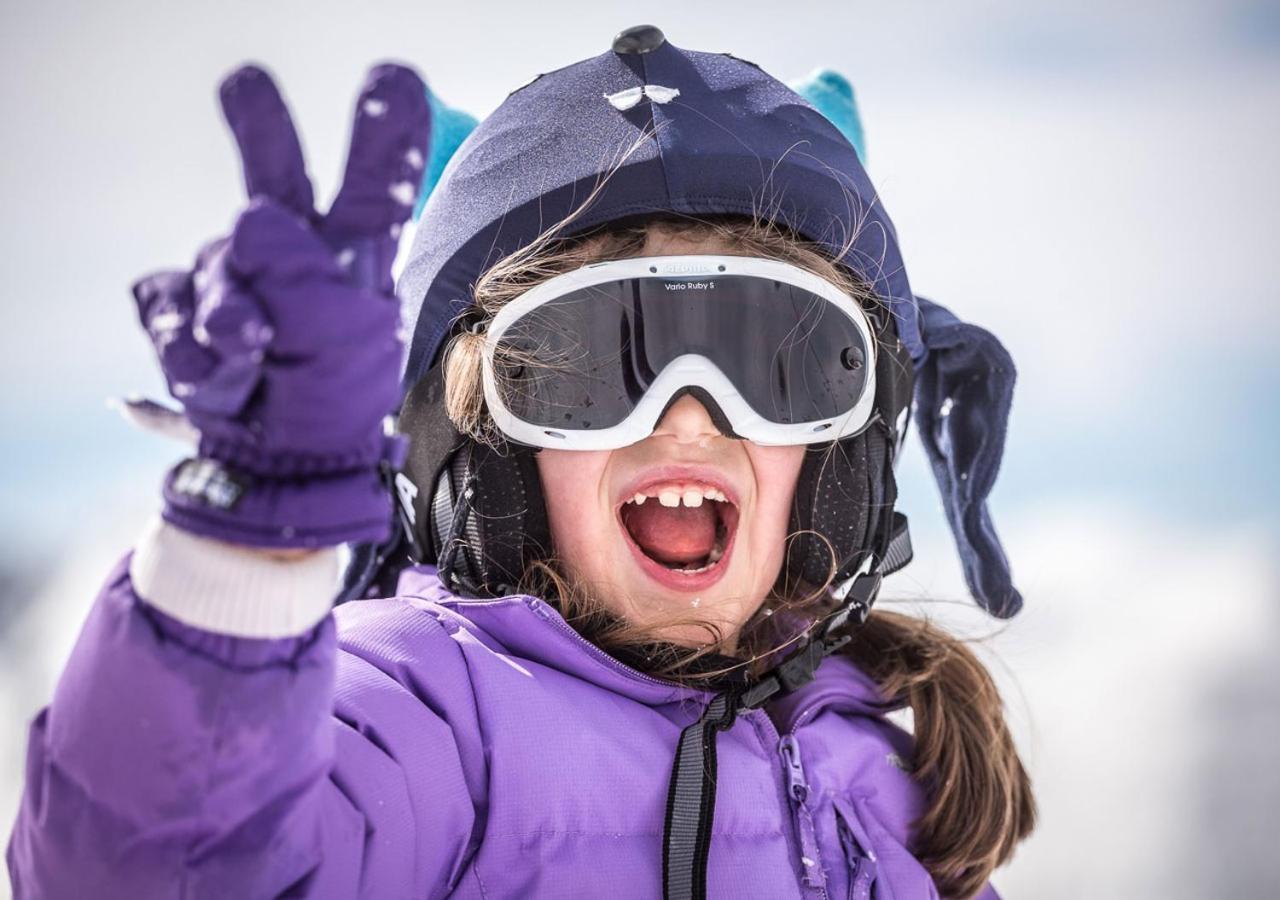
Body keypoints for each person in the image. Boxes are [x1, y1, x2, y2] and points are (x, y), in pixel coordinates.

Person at [6, 26, 1035, 900]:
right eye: (585, 362)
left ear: (842, 450)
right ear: (478, 446)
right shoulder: (417, 713)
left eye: (779, 358)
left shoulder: (889, 784)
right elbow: (159, 867)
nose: (685, 419)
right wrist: (240, 553)